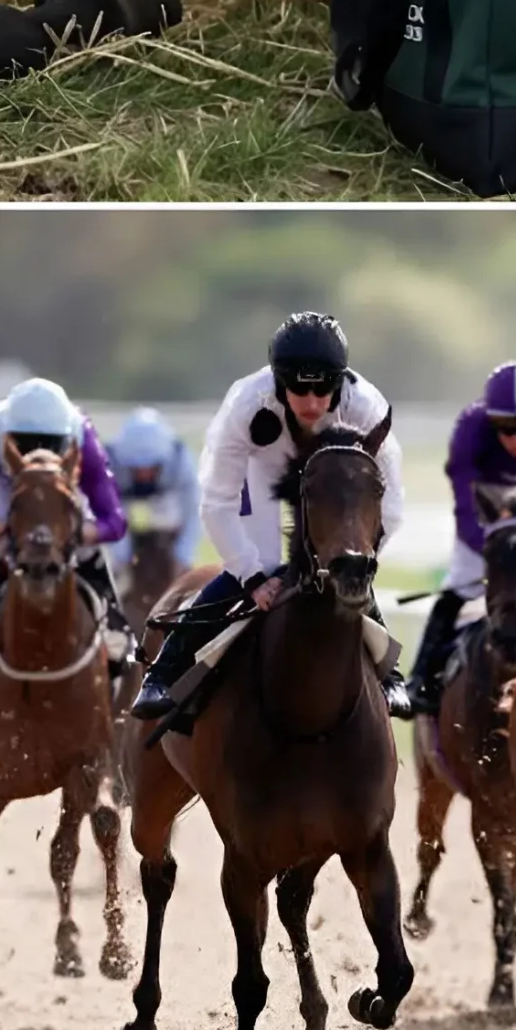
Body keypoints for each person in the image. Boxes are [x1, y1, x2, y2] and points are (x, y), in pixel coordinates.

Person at [130, 309, 407, 722]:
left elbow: (392, 507)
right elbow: (217, 503)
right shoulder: (246, 405)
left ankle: (390, 674)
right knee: (266, 562)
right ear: (278, 381)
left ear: (339, 382)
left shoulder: (366, 408)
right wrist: (253, 578)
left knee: (349, 569)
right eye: (299, 389)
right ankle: (163, 672)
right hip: (264, 468)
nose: (312, 403)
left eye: (323, 390)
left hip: (336, 479)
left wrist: (352, 560)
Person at [403, 360, 516, 718]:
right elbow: (464, 507)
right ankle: (420, 679)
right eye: (505, 429)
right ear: (491, 420)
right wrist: (490, 552)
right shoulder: (470, 428)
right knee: (459, 585)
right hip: (487, 510)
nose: (515, 439)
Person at [0, 364, 128, 642]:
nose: (39, 455)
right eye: (26, 445)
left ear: (67, 440)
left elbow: (114, 520)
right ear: (7, 438)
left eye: (50, 444)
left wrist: (87, 531)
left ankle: (118, 633)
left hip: (62, 500)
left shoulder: (83, 439)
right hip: (12, 496)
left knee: (89, 551)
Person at [107, 404, 202, 567]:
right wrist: (120, 559)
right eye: (136, 468)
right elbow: (109, 513)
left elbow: (193, 513)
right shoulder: (110, 464)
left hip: (168, 505)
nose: (144, 475)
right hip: (122, 500)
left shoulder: (180, 462)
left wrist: (183, 557)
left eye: (150, 467)